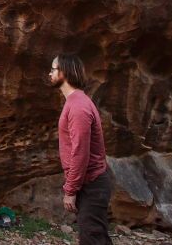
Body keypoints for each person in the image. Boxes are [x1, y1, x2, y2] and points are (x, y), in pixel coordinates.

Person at [49, 54, 112, 245]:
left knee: (92, 238)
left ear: (65, 72)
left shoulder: (78, 107)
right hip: (91, 182)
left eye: (53, 69)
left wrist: (70, 190)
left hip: (92, 184)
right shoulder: (75, 102)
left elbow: (80, 153)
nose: (49, 73)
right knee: (96, 237)